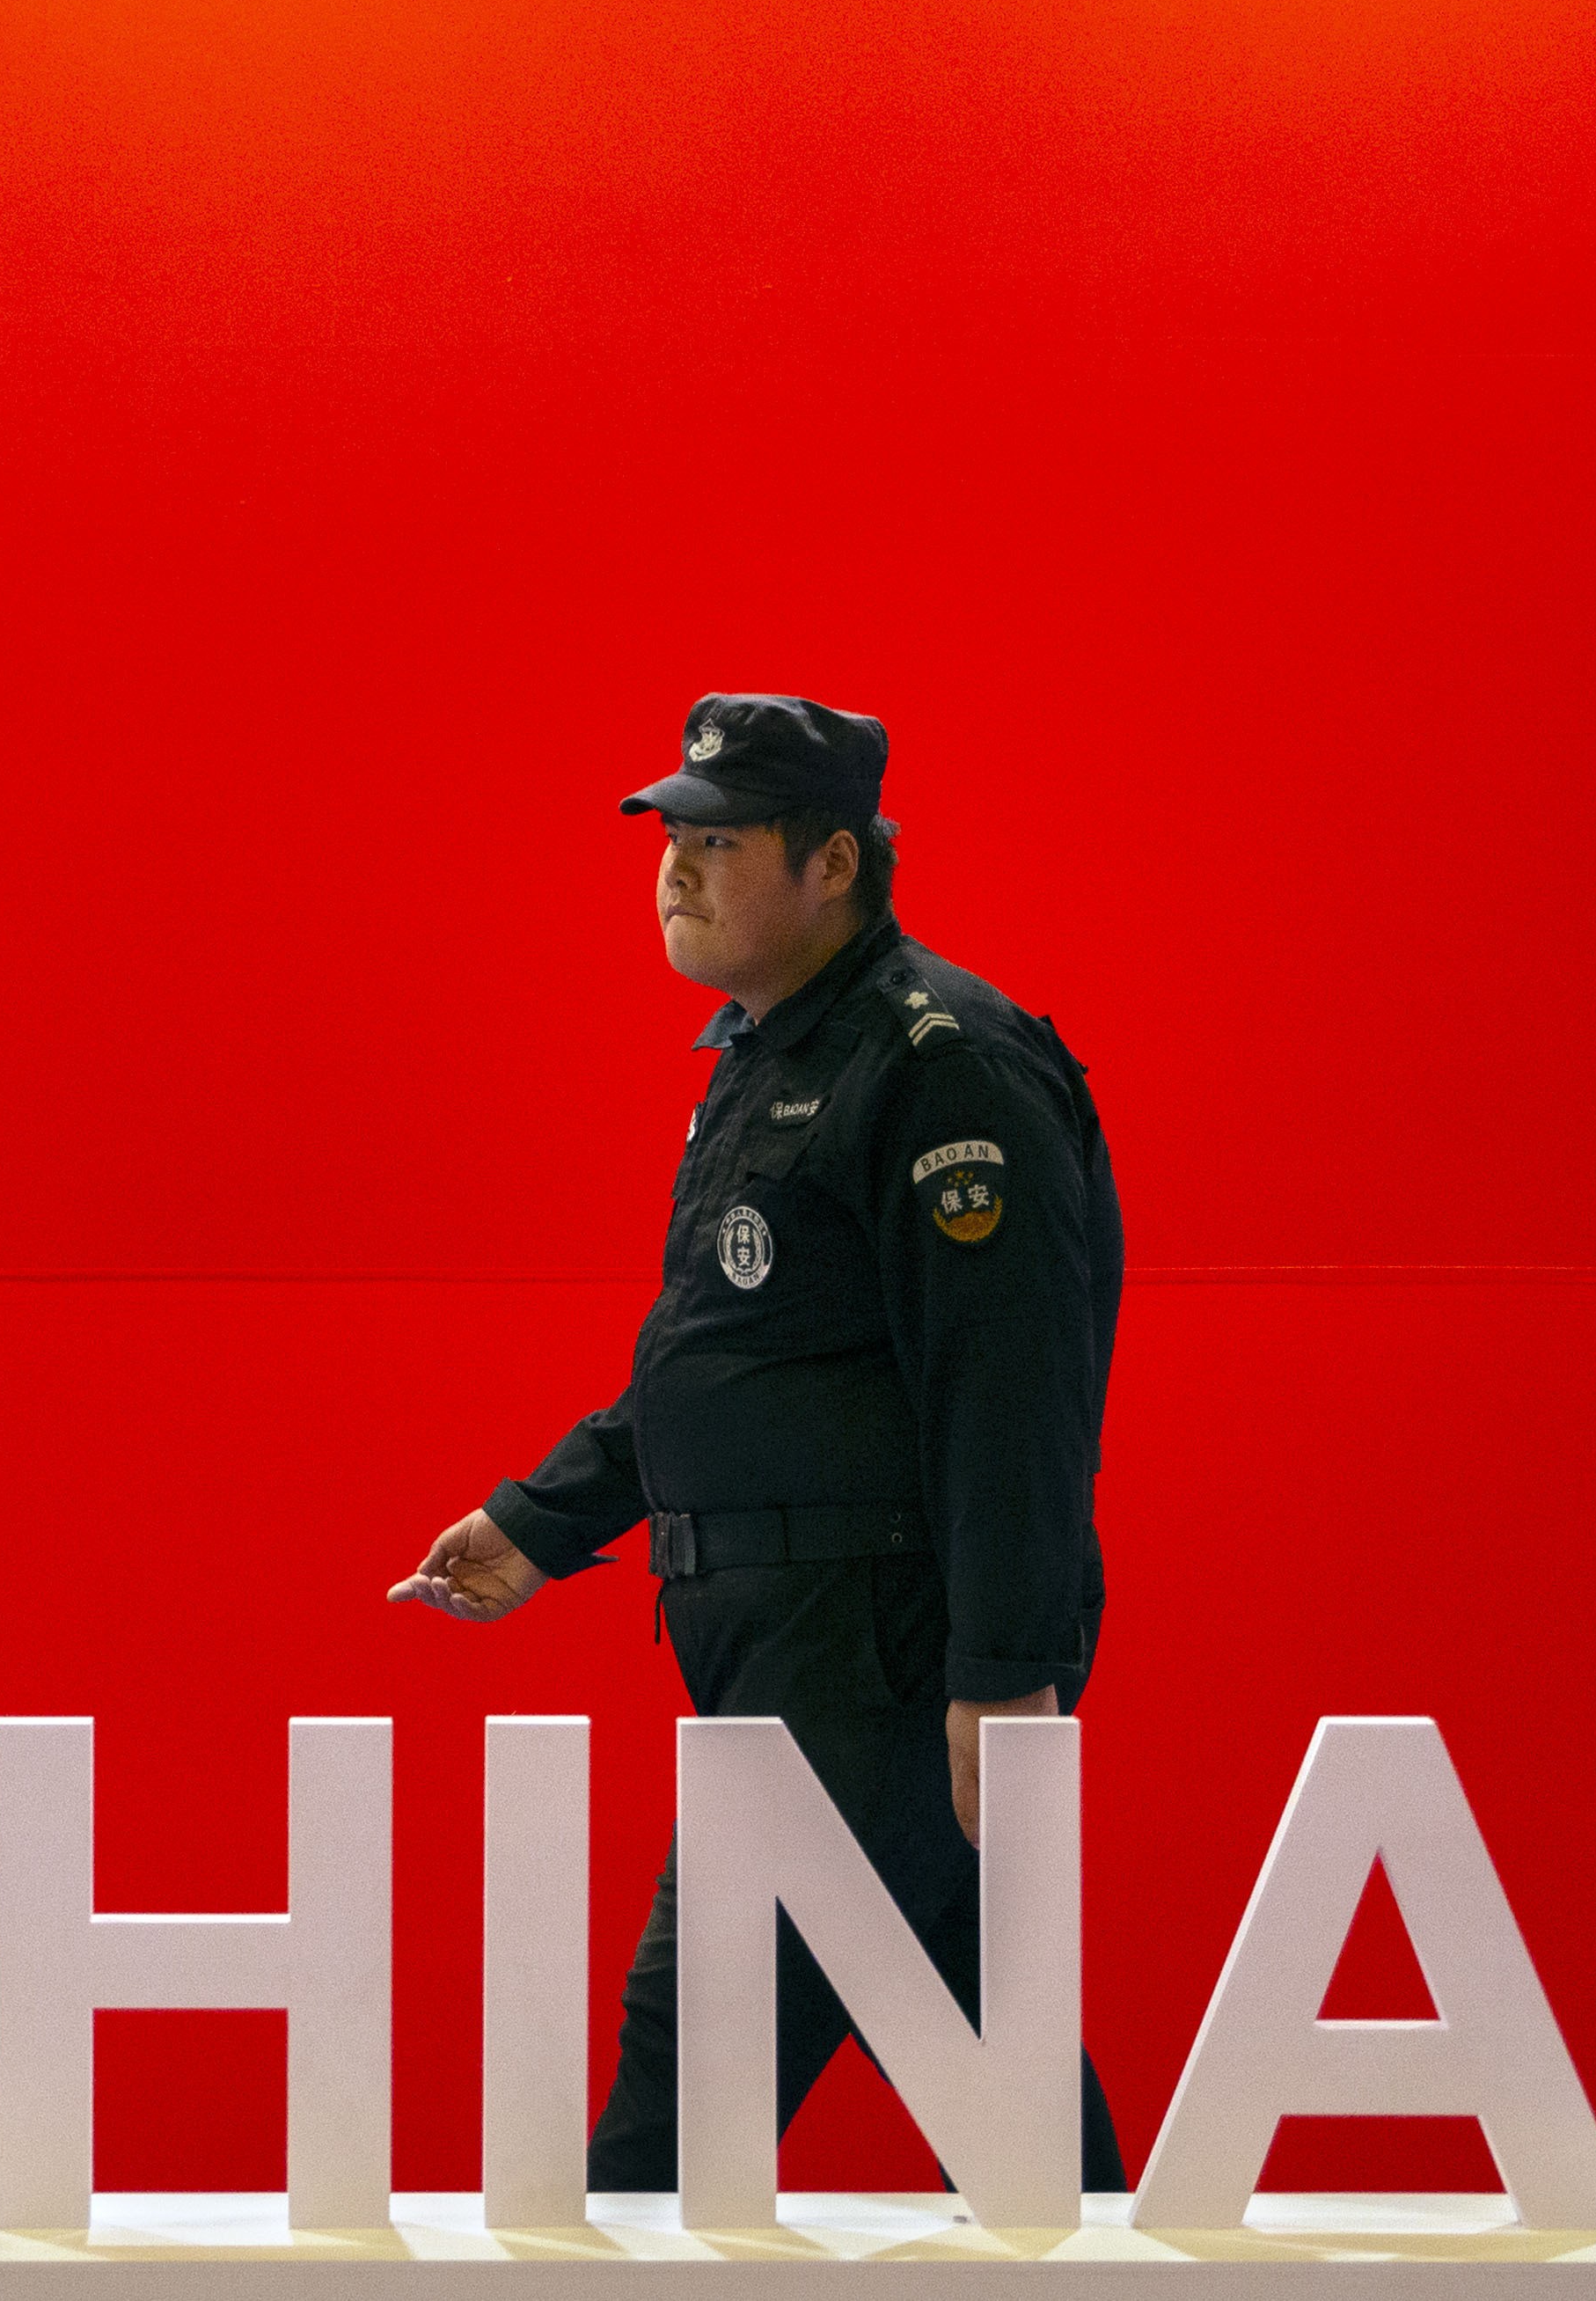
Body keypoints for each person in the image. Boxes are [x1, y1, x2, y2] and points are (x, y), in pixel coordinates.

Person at [388, 691, 1130, 2195]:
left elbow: (1011, 1397)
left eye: (720, 840)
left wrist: (1004, 1673)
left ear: (835, 863)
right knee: (1016, 2096)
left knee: (676, 2098)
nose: (676, 867)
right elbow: (733, 1363)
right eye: (671, 835)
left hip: (874, 1655)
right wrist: (545, 1517)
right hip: (782, 1649)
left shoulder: (941, 1067)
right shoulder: (769, 1056)